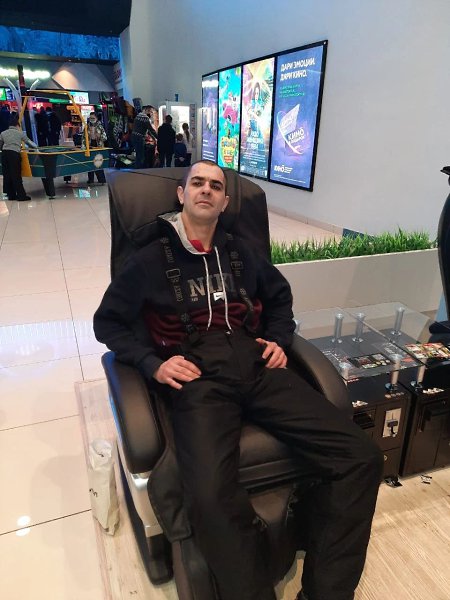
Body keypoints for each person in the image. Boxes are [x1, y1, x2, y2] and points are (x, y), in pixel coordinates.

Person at [93, 160, 383, 600]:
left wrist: (279, 339)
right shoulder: (149, 260)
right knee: (208, 497)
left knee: (361, 456)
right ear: (182, 195)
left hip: (257, 366)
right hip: (198, 380)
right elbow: (108, 323)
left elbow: (280, 299)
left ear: (225, 202)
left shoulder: (241, 253)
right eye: (197, 183)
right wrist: (152, 363)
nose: (206, 190)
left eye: (215, 185)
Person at [0, 114, 37, 201]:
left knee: (7, 175)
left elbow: (0, 145)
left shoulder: (3, 133)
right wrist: (36, 147)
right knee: (16, 175)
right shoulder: (20, 133)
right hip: (14, 154)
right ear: (17, 125)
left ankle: (11, 195)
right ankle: (21, 196)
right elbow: (31, 144)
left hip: (4, 154)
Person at [82, 112, 107, 184]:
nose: (92, 119)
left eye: (93, 118)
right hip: (89, 146)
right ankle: (91, 179)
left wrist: (99, 136)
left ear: (96, 118)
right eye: (90, 118)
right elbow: (84, 137)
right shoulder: (87, 126)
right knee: (89, 162)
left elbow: (105, 137)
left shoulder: (100, 127)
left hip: (98, 146)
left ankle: (101, 180)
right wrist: (83, 146)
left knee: (98, 162)